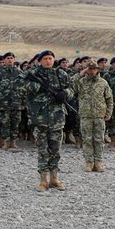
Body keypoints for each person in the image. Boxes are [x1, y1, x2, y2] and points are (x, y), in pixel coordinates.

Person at [22, 50, 75, 190]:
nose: (48, 61)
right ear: (40, 60)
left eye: (50, 58)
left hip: (57, 118)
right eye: (45, 58)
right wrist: (40, 87)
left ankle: (54, 178)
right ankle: (43, 180)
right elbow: (23, 86)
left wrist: (64, 94)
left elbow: (71, 89)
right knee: (42, 150)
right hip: (39, 119)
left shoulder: (60, 74)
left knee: (55, 150)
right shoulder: (33, 74)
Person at [72, 59, 113, 171]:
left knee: (99, 140)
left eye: (94, 69)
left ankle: (98, 161)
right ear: (87, 69)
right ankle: (89, 162)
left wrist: (108, 113)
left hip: (99, 115)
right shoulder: (81, 82)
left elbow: (109, 99)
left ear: (97, 70)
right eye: (90, 68)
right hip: (86, 115)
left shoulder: (103, 83)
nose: (92, 71)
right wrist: (80, 74)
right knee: (87, 139)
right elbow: (71, 85)